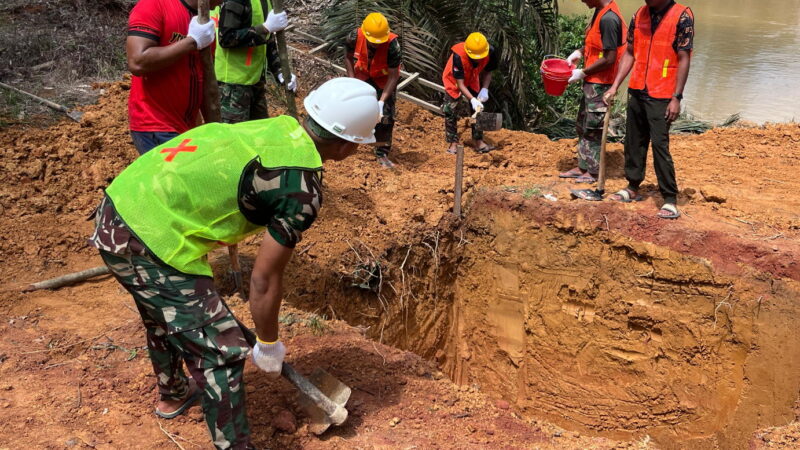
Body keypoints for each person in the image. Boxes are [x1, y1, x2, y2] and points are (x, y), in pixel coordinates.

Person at [88, 78, 380, 449]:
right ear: (349, 145)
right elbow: (263, 280)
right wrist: (269, 343)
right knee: (222, 352)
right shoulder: (301, 189)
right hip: (149, 239)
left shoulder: (276, 127)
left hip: (120, 206)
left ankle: (174, 393)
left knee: (165, 313)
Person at [604, 0, 694, 219]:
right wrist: (615, 85)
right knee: (634, 140)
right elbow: (630, 52)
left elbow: (684, 58)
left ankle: (670, 198)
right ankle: (632, 186)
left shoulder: (682, 16)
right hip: (637, 88)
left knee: (660, 145)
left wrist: (677, 97)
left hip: (663, 92)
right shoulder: (640, 14)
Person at [126, 0, 221, 154]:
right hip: (155, 124)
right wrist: (192, 41)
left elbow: (204, 80)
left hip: (186, 128)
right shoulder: (154, 5)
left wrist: (215, 130)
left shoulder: (204, 25)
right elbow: (137, 62)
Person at [559, 0, 627, 184]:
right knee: (582, 124)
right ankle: (583, 166)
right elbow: (596, 44)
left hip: (602, 84)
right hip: (592, 81)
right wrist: (580, 52)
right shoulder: (600, 11)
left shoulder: (609, 19)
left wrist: (582, 72)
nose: (581, 0)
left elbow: (610, 58)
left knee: (594, 129)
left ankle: (594, 172)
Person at [212, 0, 298, 124]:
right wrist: (265, 28)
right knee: (234, 136)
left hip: (256, 82)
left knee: (259, 133)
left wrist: (280, 71)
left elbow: (267, 40)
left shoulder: (266, 1)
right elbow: (226, 38)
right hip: (232, 86)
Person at [344, 12, 402, 168]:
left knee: (386, 118)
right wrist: (351, 79)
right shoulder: (354, 37)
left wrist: (382, 102)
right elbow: (348, 58)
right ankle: (348, 142)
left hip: (384, 81)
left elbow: (393, 76)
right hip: (362, 76)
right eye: (373, 42)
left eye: (379, 42)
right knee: (353, 110)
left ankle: (381, 152)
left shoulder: (393, 46)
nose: (376, 44)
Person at [441, 32, 499, 154]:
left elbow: (488, 71)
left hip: (472, 77)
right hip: (454, 80)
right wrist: (472, 99)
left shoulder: (491, 52)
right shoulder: (458, 57)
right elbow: (460, 84)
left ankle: (478, 141)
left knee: (478, 109)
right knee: (450, 109)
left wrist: (485, 89)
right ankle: (453, 143)